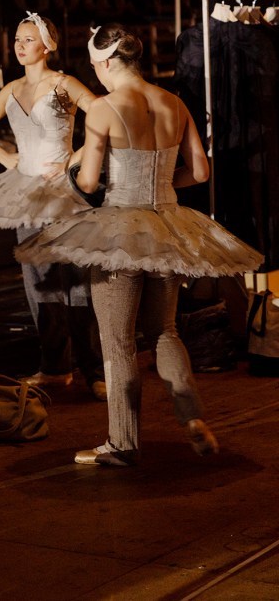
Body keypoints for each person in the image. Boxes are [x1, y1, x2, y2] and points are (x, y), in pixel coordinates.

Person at [15, 23, 265, 466]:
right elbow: (201, 173)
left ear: (108, 62)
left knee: (117, 341)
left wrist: (68, 176)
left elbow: (89, 181)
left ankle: (122, 443)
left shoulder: (106, 109)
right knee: (165, 330)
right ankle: (189, 415)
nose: (96, 76)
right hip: (166, 226)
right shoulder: (173, 102)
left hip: (118, 228)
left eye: (95, 67)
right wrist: (163, 187)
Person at [0, 11, 107, 401]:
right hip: (27, 191)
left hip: (66, 192)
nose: (19, 46)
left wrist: (74, 159)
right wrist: (8, 160)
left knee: (77, 284)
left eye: (27, 39)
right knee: (39, 282)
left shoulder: (64, 84)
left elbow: (104, 117)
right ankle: (56, 368)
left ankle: (93, 367)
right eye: (18, 40)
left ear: (46, 45)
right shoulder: (10, 89)